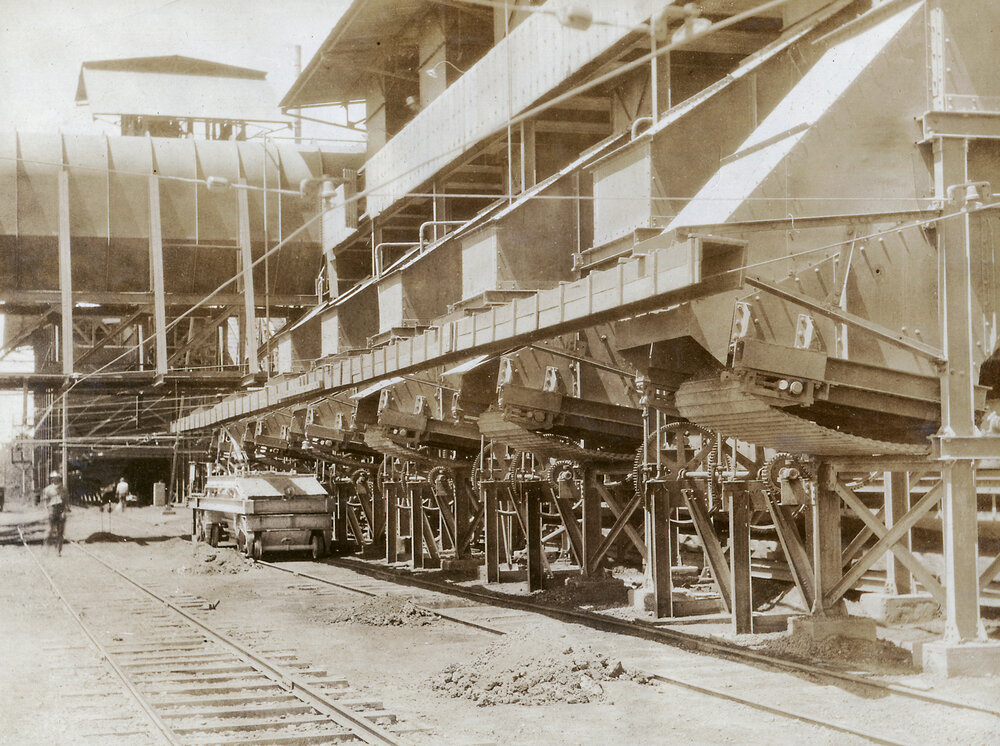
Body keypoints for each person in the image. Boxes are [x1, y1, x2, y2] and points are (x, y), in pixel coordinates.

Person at [41, 471, 69, 556]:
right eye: (53, 478)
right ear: (51, 479)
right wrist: (47, 511)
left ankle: (58, 550)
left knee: (60, 532)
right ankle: (45, 549)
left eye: (57, 478)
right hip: (52, 510)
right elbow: (45, 502)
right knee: (49, 531)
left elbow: (66, 502)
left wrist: (64, 511)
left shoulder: (64, 489)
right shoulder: (48, 489)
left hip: (61, 510)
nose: (55, 480)